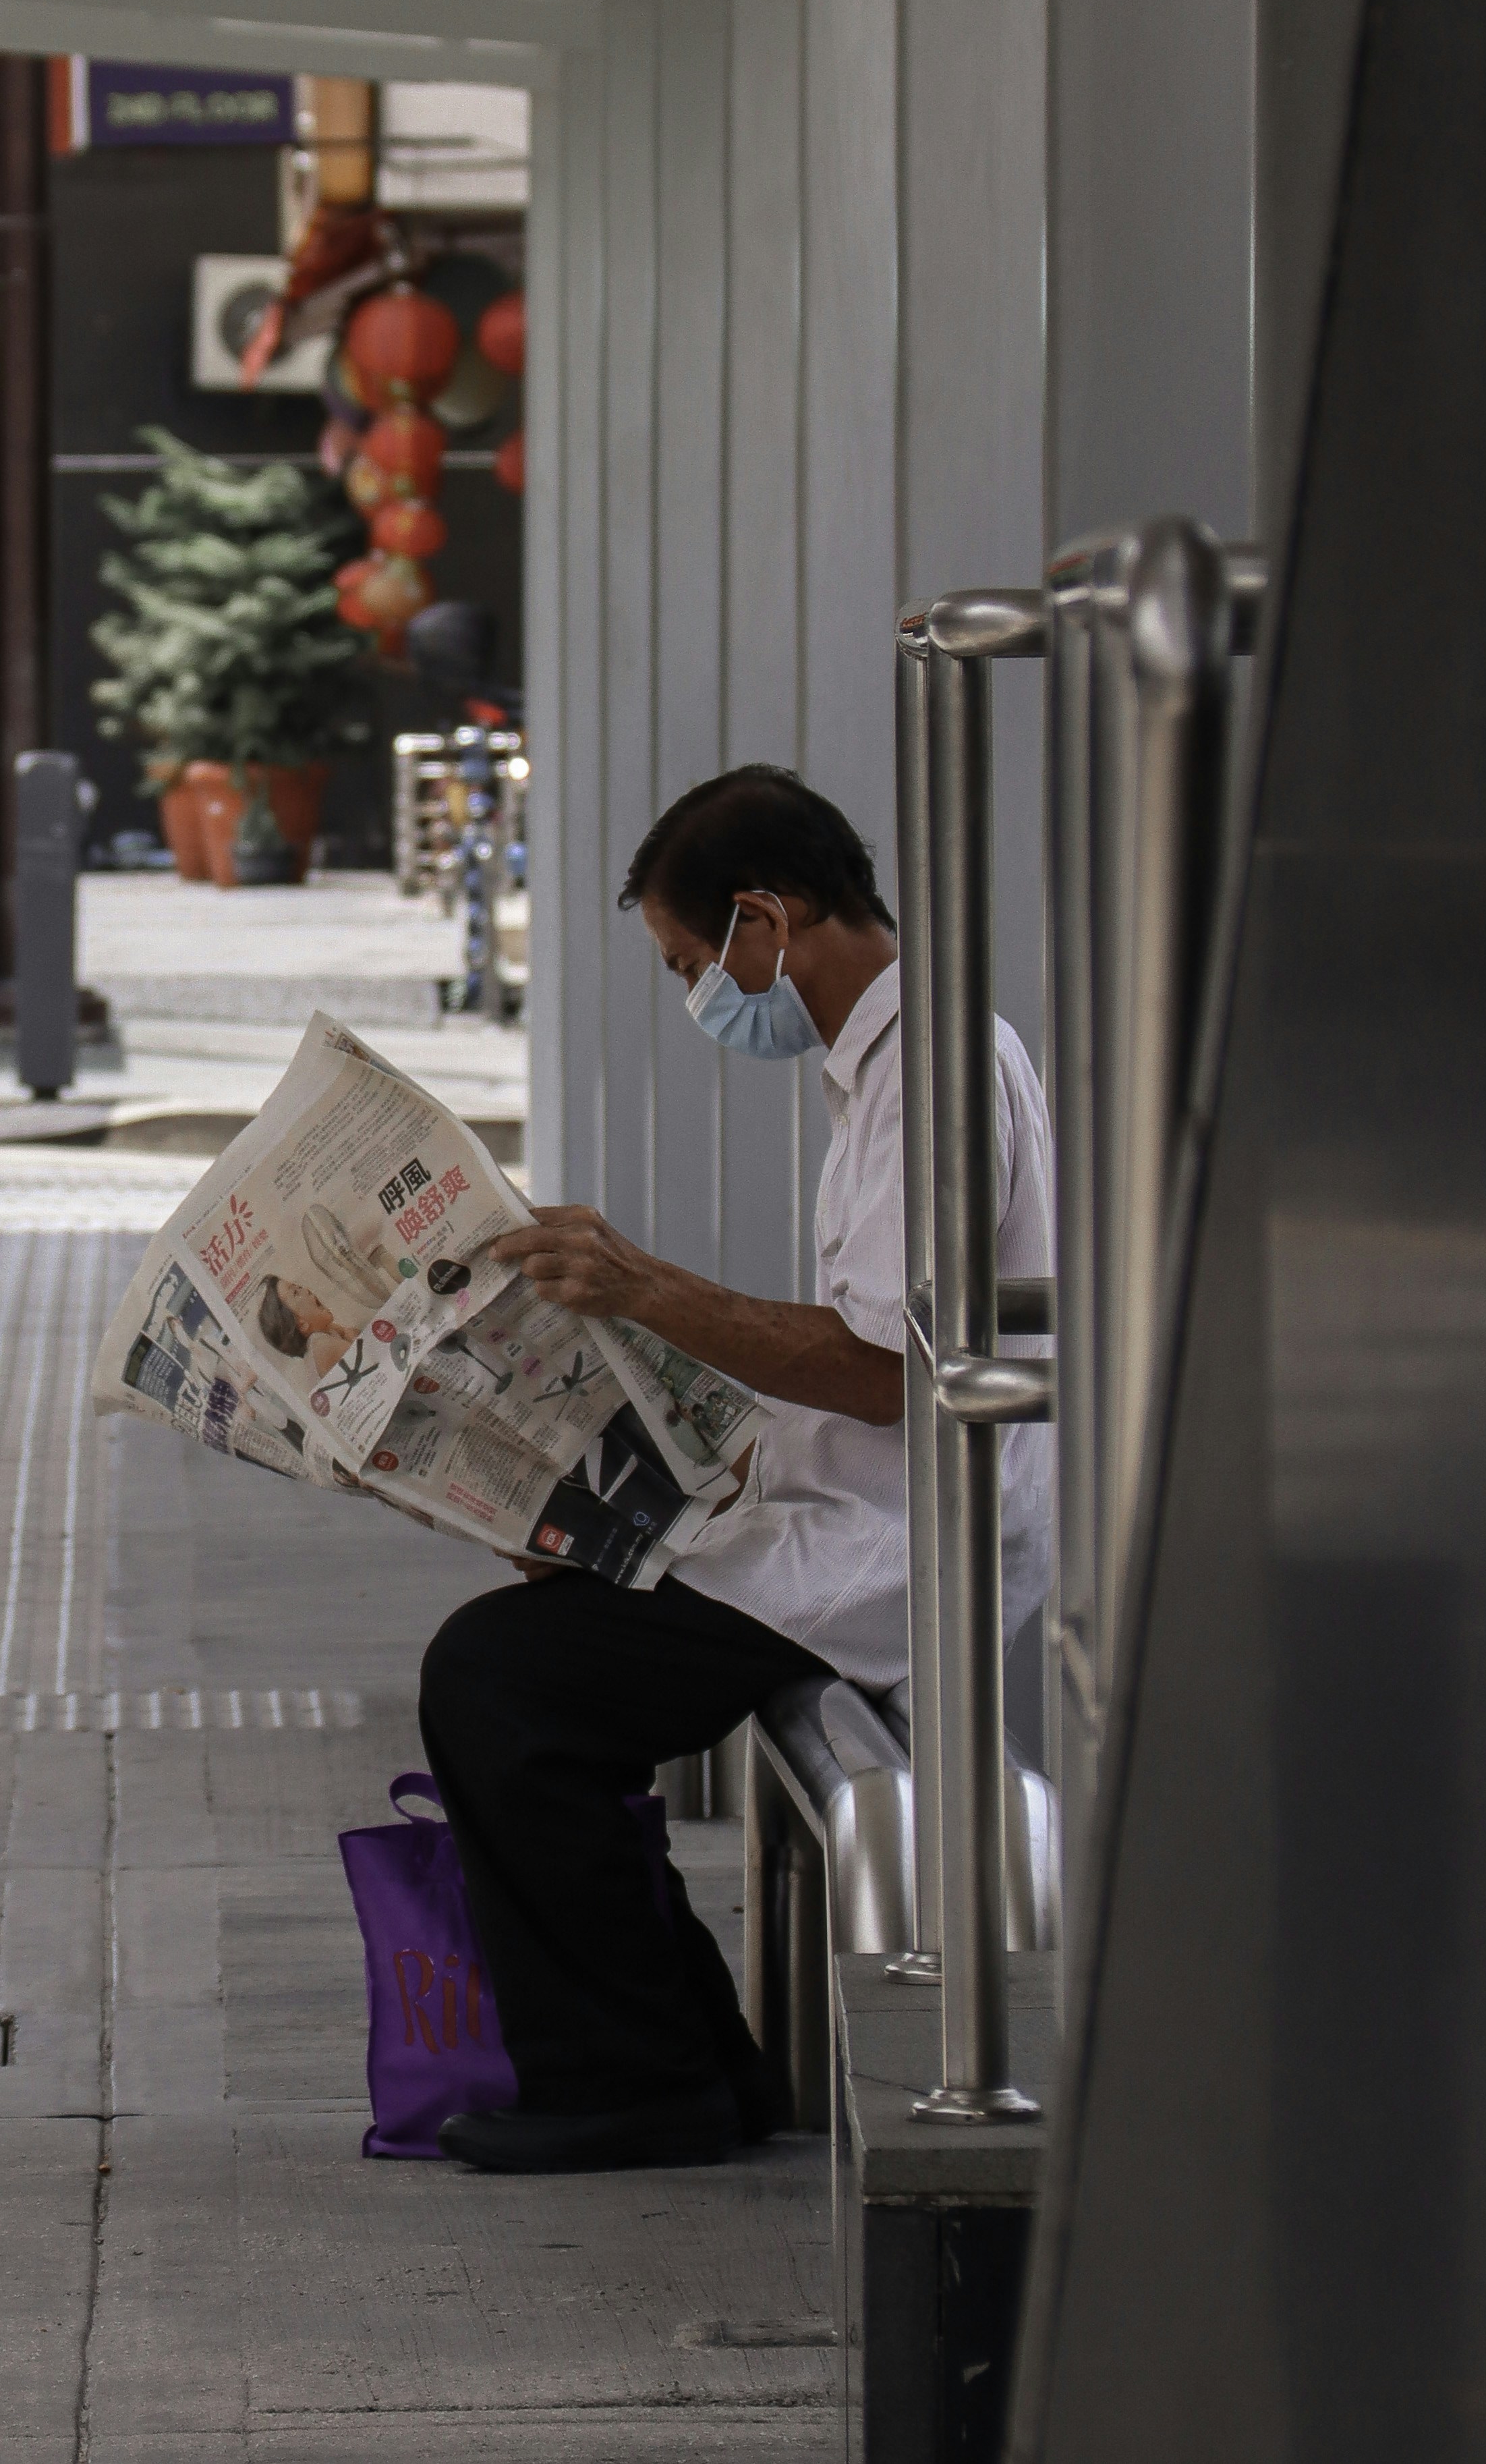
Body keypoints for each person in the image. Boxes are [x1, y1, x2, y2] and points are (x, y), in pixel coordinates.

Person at [416, 762, 1054, 2175]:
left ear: (766, 918)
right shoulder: (890, 1063)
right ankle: (682, 2056)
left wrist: (641, 1288)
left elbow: (885, 1367)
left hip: (896, 1545)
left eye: (693, 961)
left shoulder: (929, 1074)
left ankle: (634, 2072)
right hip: (847, 1517)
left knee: (499, 1678)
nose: (702, 993)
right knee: (535, 1638)